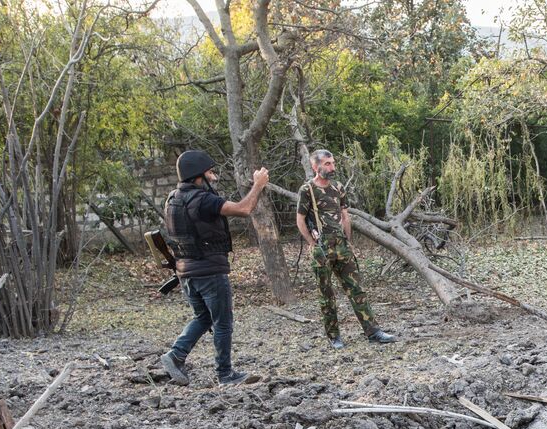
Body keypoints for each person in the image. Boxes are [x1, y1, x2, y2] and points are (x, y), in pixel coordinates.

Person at [159, 149, 269, 387]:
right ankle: (225, 374)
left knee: (204, 317)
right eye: (210, 172)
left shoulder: (172, 199)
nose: (214, 176)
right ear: (198, 175)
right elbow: (243, 209)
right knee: (223, 322)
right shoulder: (203, 200)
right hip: (209, 270)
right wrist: (258, 185)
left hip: (186, 271)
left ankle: (176, 355)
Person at [295, 149, 396, 350]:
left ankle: (373, 331)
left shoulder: (339, 187)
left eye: (332, 163)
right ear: (316, 167)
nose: (332, 167)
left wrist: (349, 242)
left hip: (342, 246)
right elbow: (299, 220)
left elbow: (345, 216)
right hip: (322, 248)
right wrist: (312, 243)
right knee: (326, 294)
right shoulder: (307, 190)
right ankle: (334, 337)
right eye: (327, 164)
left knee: (356, 289)